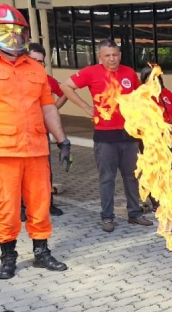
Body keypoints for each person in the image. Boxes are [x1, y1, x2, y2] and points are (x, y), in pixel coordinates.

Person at [0, 4, 70, 279]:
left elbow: (48, 108)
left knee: (40, 204)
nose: (12, 37)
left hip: (35, 151)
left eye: (17, 32)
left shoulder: (35, 68)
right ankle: (8, 256)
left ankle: (41, 252)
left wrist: (62, 140)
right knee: (6, 208)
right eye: (4, 31)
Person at [61, 39, 153, 232]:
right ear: (100, 57)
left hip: (129, 135)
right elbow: (66, 86)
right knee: (107, 178)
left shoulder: (129, 72)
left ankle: (134, 213)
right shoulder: (90, 72)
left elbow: (138, 98)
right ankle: (107, 217)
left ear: (120, 55)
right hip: (105, 137)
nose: (112, 59)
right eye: (107, 56)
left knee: (131, 176)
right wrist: (86, 107)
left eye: (115, 55)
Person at [23, 42, 66, 220]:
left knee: (45, 170)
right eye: (33, 60)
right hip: (19, 134)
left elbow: (64, 91)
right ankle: (21, 206)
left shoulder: (46, 79)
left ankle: (48, 202)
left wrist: (53, 109)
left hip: (41, 133)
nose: (37, 64)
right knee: (21, 172)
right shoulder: (16, 78)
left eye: (41, 61)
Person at [138, 65, 172, 211]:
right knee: (155, 172)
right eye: (149, 78)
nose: (153, 81)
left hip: (169, 139)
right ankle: (157, 203)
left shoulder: (165, 92)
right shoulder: (141, 96)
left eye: (156, 77)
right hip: (151, 141)